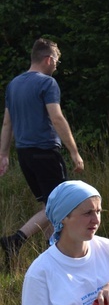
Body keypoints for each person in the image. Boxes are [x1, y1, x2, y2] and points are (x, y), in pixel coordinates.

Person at [0, 38, 84, 264]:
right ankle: (16, 239)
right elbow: (57, 117)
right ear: (48, 59)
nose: (56, 66)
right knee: (60, 204)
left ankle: (53, 255)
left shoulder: (14, 85)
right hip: (46, 152)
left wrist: (4, 154)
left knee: (50, 205)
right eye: (56, 61)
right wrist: (74, 152)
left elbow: (7, 123)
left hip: (24, 155)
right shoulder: (47, 83)